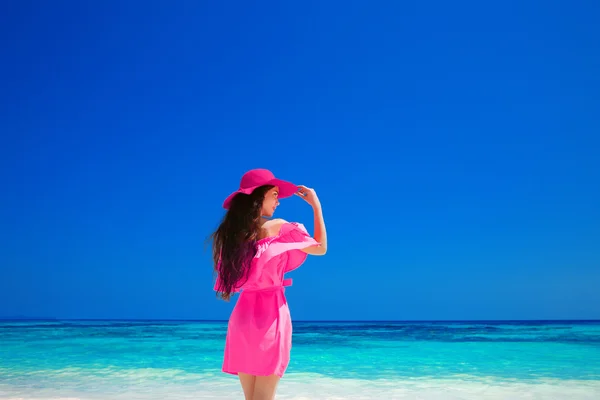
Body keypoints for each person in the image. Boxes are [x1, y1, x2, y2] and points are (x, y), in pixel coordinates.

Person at [209, 168, 327, 400]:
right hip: (271, 315)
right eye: (274, 195)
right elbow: (321, 248)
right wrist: (316, 206)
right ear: (258, 196)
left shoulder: (234, 237)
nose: (278, 202)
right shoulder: (278, 227)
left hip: (242, 318)